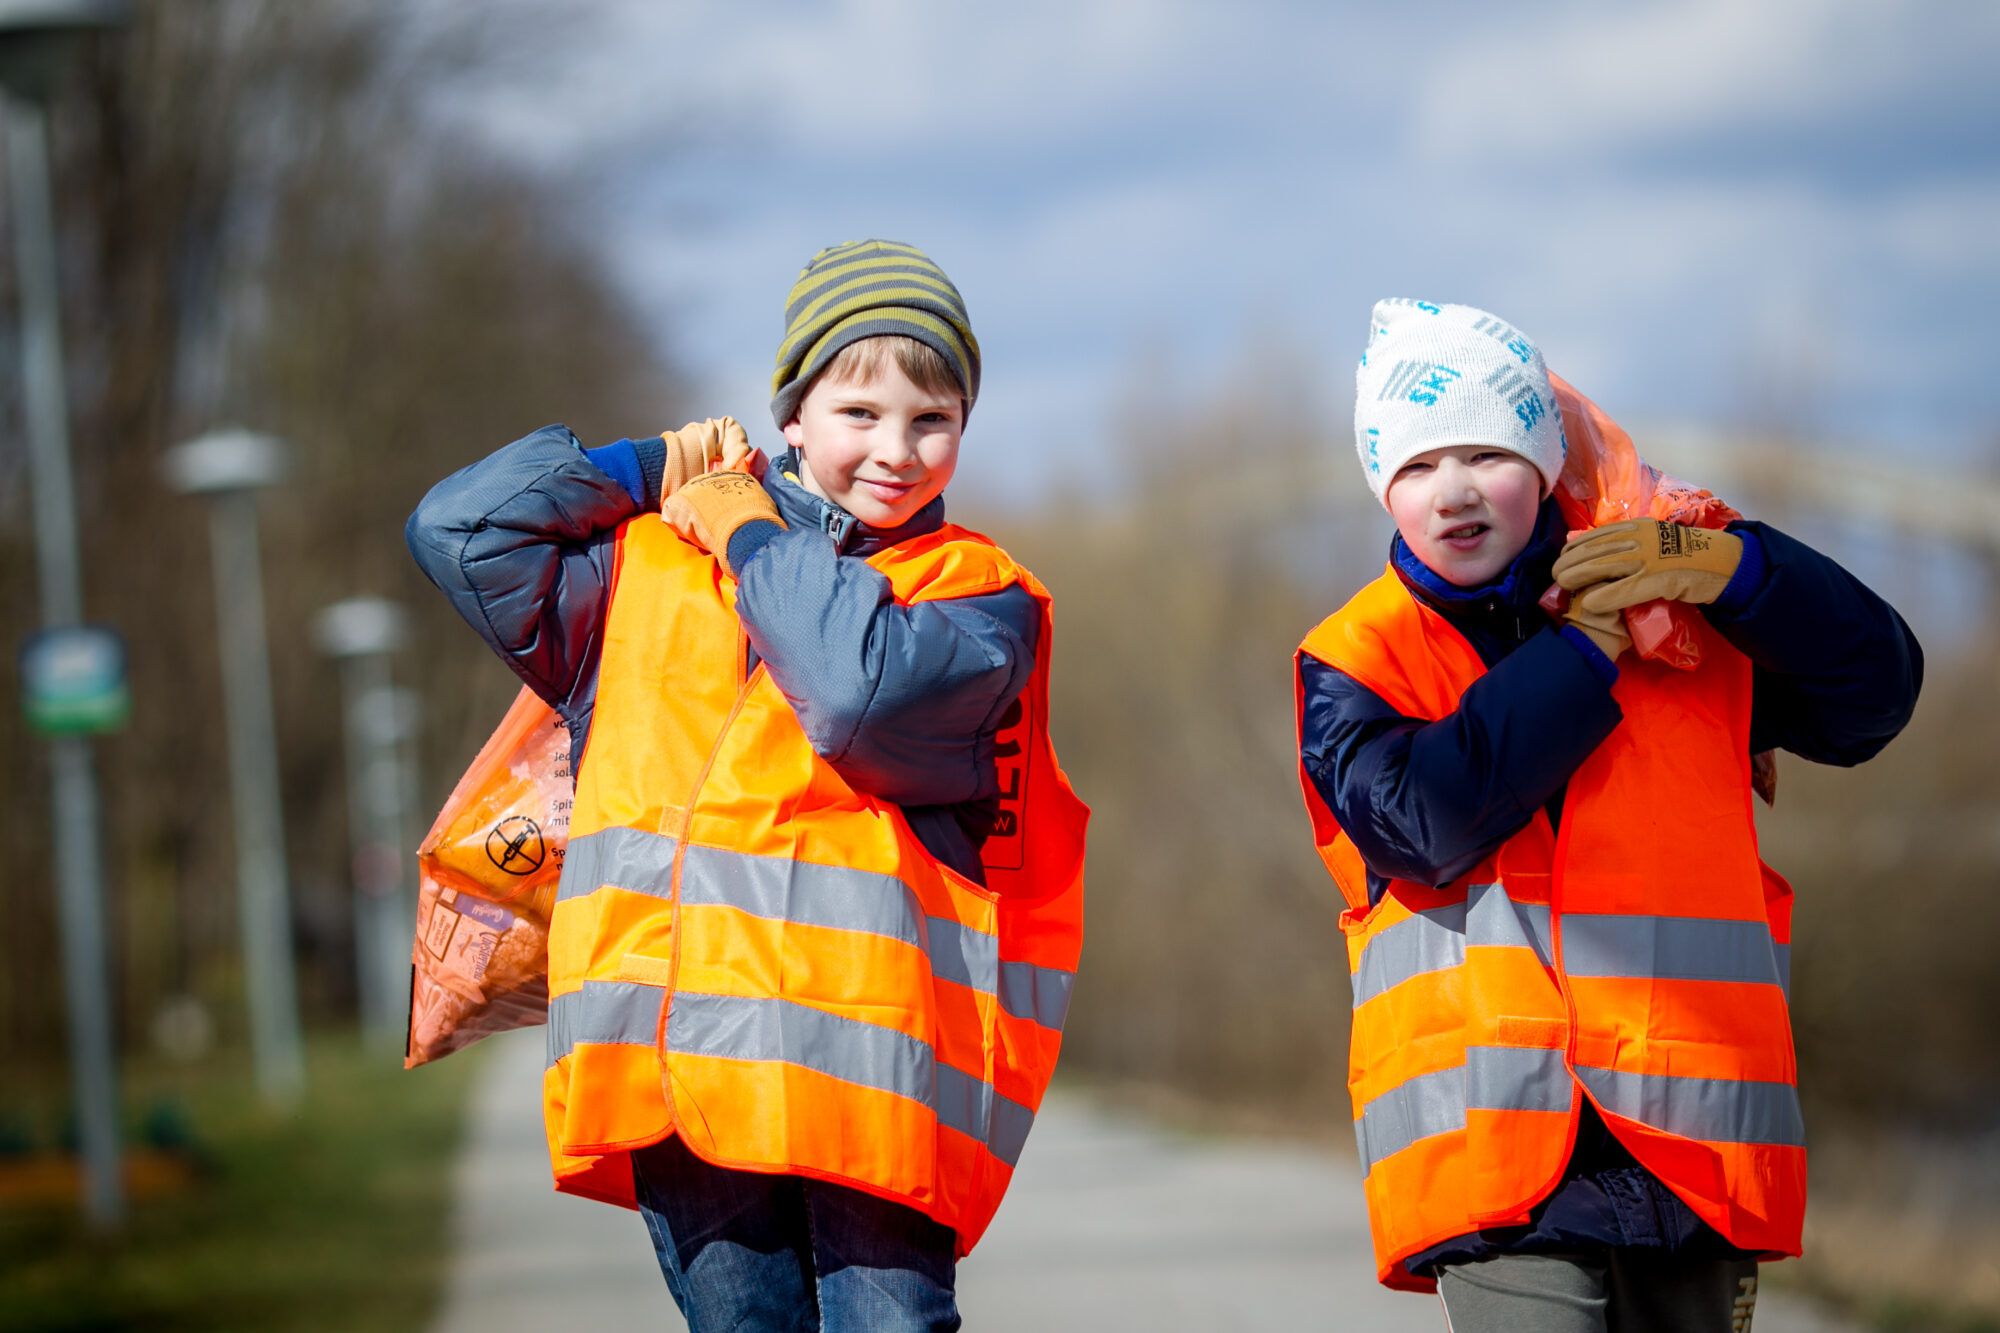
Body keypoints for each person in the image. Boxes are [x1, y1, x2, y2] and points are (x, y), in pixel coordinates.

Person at [408, 239, 1087, 1332]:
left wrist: (754, 529)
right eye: (858, 412)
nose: (897, 449)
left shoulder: (982, 600)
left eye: (933, 419)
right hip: (682, 1083)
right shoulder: (644, 568)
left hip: (867, 1078)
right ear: (792, 416)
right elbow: (457, 529)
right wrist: (651, 463)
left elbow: (853, 697)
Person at [1292, 299, 1922, 1331]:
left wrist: (1745, 570)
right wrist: (1580, 656)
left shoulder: (1681, 621)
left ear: (1539, 463)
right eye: (1412, 466)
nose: (1449, 492)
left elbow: (1874, 697)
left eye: (1483, 454)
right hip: (1498, 1169)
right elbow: (1422, 819)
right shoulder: (1355, 660)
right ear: (1379, 486)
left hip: (1693, 1144)